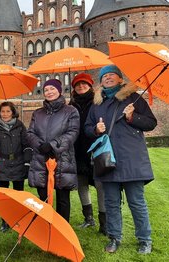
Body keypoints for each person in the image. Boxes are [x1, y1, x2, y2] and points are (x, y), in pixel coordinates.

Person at [84, 65, 157, 254]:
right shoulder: (96, 104)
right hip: (107, 160)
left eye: (111, 75)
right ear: (100, 81)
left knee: (137, 202)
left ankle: (144, 239)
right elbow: (87, 128)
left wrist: (133, 117)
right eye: (104, 76)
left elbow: (151, 123)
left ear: (119, 79)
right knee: (111, 202)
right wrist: (95, 130)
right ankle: (114, 237)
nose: (108, 78)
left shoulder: (134, 98)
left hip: (131, 158)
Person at [26, 79, 79, 222]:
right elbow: (30, 133)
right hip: (40, 159)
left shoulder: (71, 111)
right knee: (42, 198)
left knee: (63, 199)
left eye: (52, 89)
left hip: (62, 159)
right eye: (46, 90)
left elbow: (72, 133)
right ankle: (44, 226)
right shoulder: (37, 113)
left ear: (59, 90)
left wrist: (53, 145)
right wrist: (40, 145)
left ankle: (61, 229)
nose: (49, 92)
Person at [69, 73, 106, 235]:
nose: (81, 86)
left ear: (90, 86)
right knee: (81, 184)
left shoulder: (99, 102)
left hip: (95, 147)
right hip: (77, 150)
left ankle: (104, 223)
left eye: (84, 84)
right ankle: (88, 218)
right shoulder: (71, 105)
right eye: (77, 84)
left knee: (100, 185)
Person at [0, 101, 31, 232]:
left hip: (18, 162)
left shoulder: (20, 126)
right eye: (2, 111)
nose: (5, 114)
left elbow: (26, 144)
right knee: (4, 195)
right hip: (2, 163)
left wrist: (27, 162)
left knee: (18, 194)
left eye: (8, 111)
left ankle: (18, 219)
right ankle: (5, 221)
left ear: (13, 112)